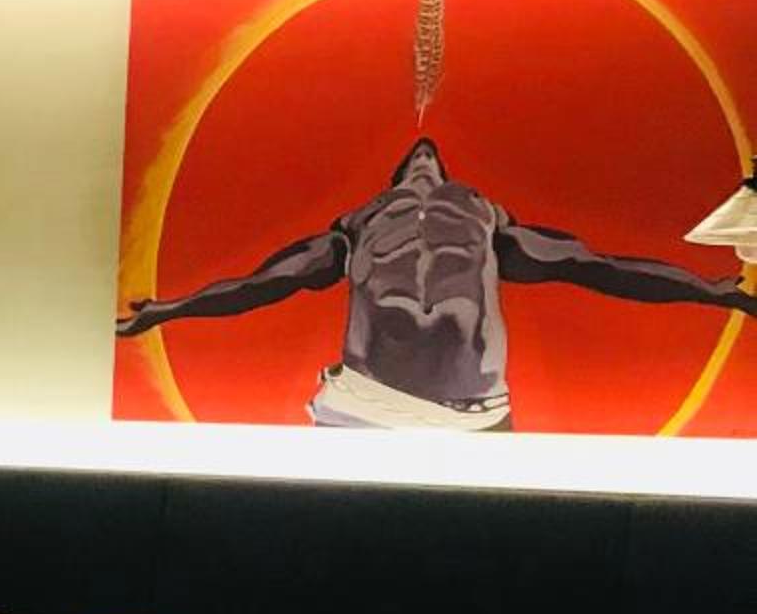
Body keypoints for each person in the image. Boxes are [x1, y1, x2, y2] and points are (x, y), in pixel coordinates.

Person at [119, 135, 757, 431]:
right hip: (364, 404)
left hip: (476, 414)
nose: (424, 150)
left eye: (432, 155)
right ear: (398, 177)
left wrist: (714, 291)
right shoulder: (358, 225)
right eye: (415, 156)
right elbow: (268, 280)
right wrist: (168, 310)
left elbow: (595, 265)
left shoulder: (484, 219)